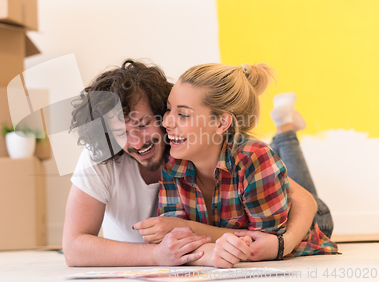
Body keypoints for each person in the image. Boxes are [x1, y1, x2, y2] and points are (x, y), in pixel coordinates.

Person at [62, 60, 328, 267]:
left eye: (143, 124)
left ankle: (285, 129)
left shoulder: (182, 142)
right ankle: (285, 126)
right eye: (120, 132)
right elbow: (73, 247)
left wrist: (285, 242)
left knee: (279, 170)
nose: (135, 140)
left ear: (158, 114)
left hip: (294, 219)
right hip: (243, 215)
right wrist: (163, 252)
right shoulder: (163, 157)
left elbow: (301, 200)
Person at [156, 63, 338, 268]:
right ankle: (284, 126)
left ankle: (285, 127)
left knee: (274, 167)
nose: (166, 122)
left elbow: (264, 243)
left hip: (306, 221)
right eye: (168, 110)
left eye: (183, 114)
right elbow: (176, 239)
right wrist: (180, 230)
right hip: (265, 184)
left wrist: (186, 226)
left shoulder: (255, 157)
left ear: (221, 123)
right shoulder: (172, 159)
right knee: (271, 166)